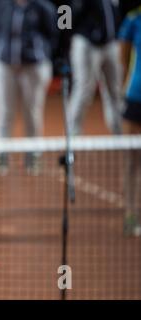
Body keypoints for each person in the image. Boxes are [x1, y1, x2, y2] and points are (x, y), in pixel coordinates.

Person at [0, 0, 58, 175]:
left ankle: (33, 156)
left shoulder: (44, 7)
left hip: (34, 67)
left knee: (32, 113)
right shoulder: (1, 5)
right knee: (4, 112)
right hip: (3, 65)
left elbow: (53, 35)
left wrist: (38, 53)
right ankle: (1, 156)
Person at [67, 0, 123, 136]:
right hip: (87, 44)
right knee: (83, 90)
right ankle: (73, 134)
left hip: (111, 43)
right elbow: (69, 14)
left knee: (116, 90)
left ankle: (120, 132)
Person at [118, 6, 141, 237]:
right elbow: (123, 59)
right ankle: (131, 214)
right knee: (131, 161)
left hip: (134, 94)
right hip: (135, 97)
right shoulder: (133, 20)